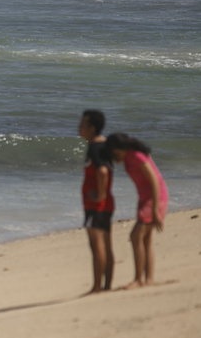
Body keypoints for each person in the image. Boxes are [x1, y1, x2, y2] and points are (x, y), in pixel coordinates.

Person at [105, 133, 170, 289]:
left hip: (155, 198)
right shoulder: (128, 158)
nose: (113, 156)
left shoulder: (136, 155)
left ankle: (138, 279)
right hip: (144, 199)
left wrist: (155, 208)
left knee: (135, 236)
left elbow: (154, 180)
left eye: (113, 152)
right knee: (146, 240)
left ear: (120, 148)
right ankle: (148, 280)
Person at [79, 109, 114, 293]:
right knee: (106, 244)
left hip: (96, 205)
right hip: (106, 203)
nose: (79, 127)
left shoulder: (95, 147)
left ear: (92, 128)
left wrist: (100, 195)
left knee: (96, 244)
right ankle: (106, 286)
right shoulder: (105, 145)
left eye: (83, 124)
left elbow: (102, 171)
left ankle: (96, 287)